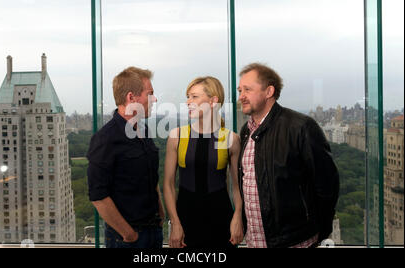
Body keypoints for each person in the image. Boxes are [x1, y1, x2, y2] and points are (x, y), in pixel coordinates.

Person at [237, 63, 340, 248]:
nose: (241, 96)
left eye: (247, 90)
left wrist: (320, 231)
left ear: (269, 91)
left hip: (294, 241)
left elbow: (327, 186)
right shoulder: (246, 131)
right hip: (255, 241)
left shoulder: (300, 127)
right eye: (240, 90)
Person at [87, 67, 164, 248]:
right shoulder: (106, 138)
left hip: (153, 232)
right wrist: (128, 234)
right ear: (132, 98)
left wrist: (160, 214)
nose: (155, 99)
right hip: (127, 239)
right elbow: (98, 195)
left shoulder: (144, 131)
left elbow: (151, 178)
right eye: (150, 94)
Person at [163, 76, 244, 249]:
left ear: (213, 101)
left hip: (221, 221)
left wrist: (237, 217)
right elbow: (168, 185)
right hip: (185, 222)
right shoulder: (177, 136)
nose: (188, 102)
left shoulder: (229, 139)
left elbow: (237, 187)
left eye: (194, 96)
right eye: (188, 96)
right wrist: (175, 223)